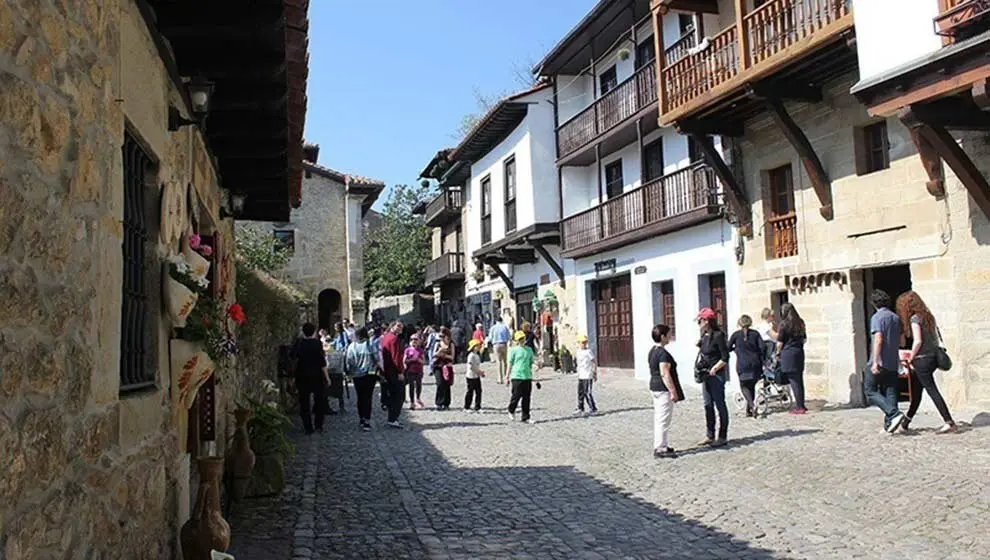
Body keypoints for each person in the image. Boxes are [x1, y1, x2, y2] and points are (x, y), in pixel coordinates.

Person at [896, 291, 956, 434]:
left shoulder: (915, 319)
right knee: (917, 391)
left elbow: (918, 341)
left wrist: (911, 357)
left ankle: (949, 421)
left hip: (922, 359)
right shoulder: (929, 317)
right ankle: (906, 422)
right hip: (933, 357)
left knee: (931, 390)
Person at [865, 289, 906, 433]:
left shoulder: (877, 317)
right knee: (891, 392)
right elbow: (902, 341)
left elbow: (878, 339)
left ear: (873, 303)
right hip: (892, 361)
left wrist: (875, 361)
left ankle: (894, 414)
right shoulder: (896, 318)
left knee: (870, 391)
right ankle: (890, 425)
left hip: (880, 361)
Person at [696, 308, 729, 447]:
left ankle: (722, 436)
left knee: (720, 405)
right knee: (708, 405)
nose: (699, 323)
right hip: (706, 375)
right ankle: (710, 434)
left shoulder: (718, 335)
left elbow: (725, 357)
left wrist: (715, 368)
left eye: (700, 321)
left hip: (717, 375)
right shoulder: (704, 336)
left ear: (707, 321)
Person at [650, 324, 683, 458]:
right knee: (663, 419)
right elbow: (665, 373)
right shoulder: (663, 354)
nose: (670, 336)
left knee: (659, 418)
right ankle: (660, 448)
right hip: (663, 389)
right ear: (662, 336)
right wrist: (673, 391)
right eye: (668, 334)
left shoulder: (653, 351)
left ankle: (661, 444)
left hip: (655, 387)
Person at [292, 323, 330, 435]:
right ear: (314, 332)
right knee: (319, 401)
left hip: (302, 375)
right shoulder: (317, 344)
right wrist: (327, 377)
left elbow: (292, 357)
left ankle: (308, 427)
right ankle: (318, 425)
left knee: (304, 403)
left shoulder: (299, 343)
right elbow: (322, 362)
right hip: (316, 376)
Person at [774, 304, 808, 415]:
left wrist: (777, 353)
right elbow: (804, 339)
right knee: (799, 379)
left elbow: (780, 342)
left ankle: (799, 407)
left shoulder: (784, 324)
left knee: (793, 380)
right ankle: (801, 404)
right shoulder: (800, 322)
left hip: (788, 353)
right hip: (799, 352)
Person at [729, 315, 764, 417]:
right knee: (751, 386)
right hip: (755, 363)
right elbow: (762, 347)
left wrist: (736, 348)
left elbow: (728, 347)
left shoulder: (736, 335)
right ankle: (749, 410)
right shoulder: (755, 334)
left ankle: (752, 405)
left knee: (744, 386)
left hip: (742, 364)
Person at [345, 327, 380, 432]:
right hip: (370, 375)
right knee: (368, 397)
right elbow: (377, 359)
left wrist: (349, 373)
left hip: (357, 376)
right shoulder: (370, 345)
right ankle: (367, 420)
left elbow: (349, 361)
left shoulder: (352, 346)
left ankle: (361, 418)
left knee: (360, 397)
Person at [379, 321, 406, 428]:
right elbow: (396, 357)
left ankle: (392, 416)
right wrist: (400, 372)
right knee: (399, 395)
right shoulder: (394, 339)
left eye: (401, 326)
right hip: (393, 371)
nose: (400, 328)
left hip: (386, 370)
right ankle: (393, 418)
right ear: (392, 326)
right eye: (398, 326)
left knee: (392, 394)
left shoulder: (385, 337)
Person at [507, 330, 536, 423]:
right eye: (519, 339)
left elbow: (532, 361)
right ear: (516, 340)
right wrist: (507, 376)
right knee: (516, 395)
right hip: (516, 376)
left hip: (527, 376)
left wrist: (537, 365)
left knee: (526, 397)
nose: (522, 340)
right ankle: (511, 409)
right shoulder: (513, 350)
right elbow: (510, 363)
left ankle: (526, 417)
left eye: (522, 338)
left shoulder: (529, 350)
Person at [432, 326, 455, 410]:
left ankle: (446, 403)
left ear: (447, 336)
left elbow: (452, 357)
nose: (441, 338)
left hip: (447, 365)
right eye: (440, 336)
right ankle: (438, 402)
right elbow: (433, 354)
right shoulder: (437, 343)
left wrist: (444, 355)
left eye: (442, 336)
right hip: (438, 365)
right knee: (440, 383)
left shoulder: (451, 344)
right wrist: (439, 352)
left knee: (447, 384)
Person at [574, 334, 598, 415]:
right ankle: (580, 407)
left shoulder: (588, 352)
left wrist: (595, 373)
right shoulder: (578, 352)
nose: (583, 344)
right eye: (582, 342)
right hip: (581, 375)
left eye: (585, 342)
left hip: (588, 375)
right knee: (580, 392)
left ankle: (593, 408)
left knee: (587, 392)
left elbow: (594, 362)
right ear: (579, 343)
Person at [404, 333, 426, 410]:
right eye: (412, 339)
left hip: (419, 370)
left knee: (418, 385)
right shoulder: (407, 350)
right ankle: (412, 402)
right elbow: (404, 361)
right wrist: (411, 360)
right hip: (410, 371)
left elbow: (424, 362)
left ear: (419, 341)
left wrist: (419, 360)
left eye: (415, 339)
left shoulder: (420, 350)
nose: (414, 341)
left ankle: (418, 398)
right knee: (411, 386)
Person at [487, 315, 512, 384]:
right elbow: (509, 337)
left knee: (499, 362)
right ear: (502, 320)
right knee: (505, 361)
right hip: (504, 344)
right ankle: (506, 377)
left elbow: (490, 338)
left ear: (496, 321)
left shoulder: (493, 328)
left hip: (496, 345)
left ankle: (500, 379)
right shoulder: (505, 327)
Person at [464, 339, 484, 411]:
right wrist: (479, 372)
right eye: (477, 346)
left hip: (476, 376)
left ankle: (477, 406)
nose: (479, 347)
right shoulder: (471, 355)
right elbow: (471, 366)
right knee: (470, 391)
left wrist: (479, 372)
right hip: (471, 376)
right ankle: (467, 407)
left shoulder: (477, 355)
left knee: (479, 391)